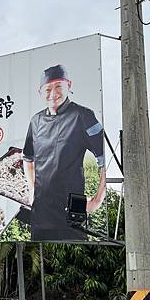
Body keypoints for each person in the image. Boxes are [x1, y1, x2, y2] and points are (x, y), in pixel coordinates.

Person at [22, 64, 106, 241]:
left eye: (58, 86)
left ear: (69, 85)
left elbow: (104, 159)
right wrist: (31, 188)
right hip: (41, 211)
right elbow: (28, 158)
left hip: (71, 209)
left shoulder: (83, 115)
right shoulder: (35, 121)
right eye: (48, 88)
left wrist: (98, 199)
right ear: (40, 92)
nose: (53, 93)